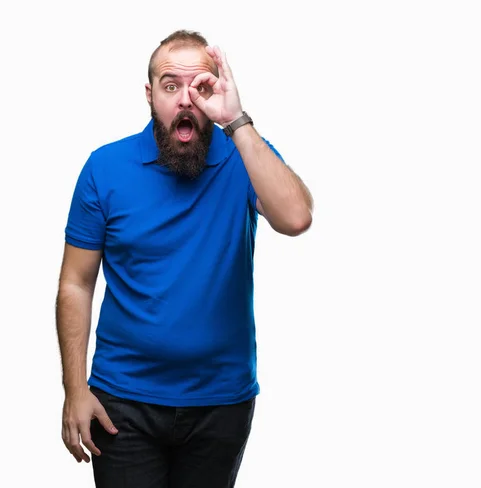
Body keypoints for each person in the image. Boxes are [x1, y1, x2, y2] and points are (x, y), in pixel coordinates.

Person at [55, 29, 313, 488]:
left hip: (221, 402)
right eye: (171, 85)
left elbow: (296, 218)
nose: (185, 100)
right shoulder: (104, 168)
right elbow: (76, 283)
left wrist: (237, 120)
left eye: (202, 86)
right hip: (122, 403)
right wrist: (74, 388)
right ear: (150, 94)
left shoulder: (243, 156)